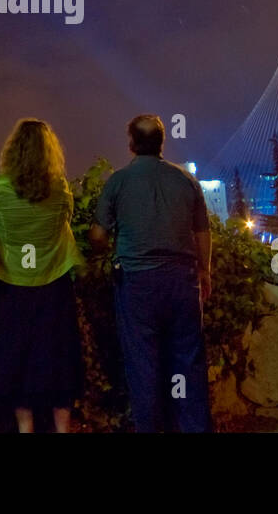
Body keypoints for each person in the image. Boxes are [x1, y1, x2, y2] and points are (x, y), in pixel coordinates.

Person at [89, 114, 213, 433]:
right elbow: (202, 231)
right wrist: (205, 272)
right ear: (162, 142)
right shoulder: (186, 180)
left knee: (143, 364)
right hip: (182, 280)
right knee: (188, 360)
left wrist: (103, 245)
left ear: (131, 143)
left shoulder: (118, 181)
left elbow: (99, 236)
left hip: (137, 282)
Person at [0, 119, 86, 432]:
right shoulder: (60, 191)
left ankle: (25, 428)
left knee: (17, 361)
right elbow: (65, 219)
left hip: (12, 288)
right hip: (53, 287)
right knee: (59, 360)